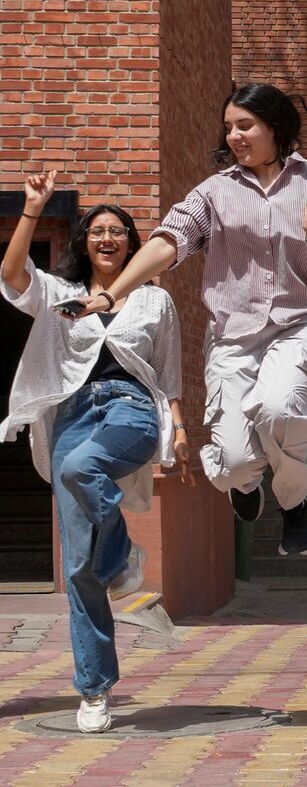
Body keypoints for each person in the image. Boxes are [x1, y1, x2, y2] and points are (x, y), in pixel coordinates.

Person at [65, 84, 307, 555]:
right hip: (233, 335)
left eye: (245, 125)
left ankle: (295, 502)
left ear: (275, 127)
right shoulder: (216, 191)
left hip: (300, 324)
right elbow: (168, 241)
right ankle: (246, 486)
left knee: (279, 407)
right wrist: (113, 293)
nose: (235, 136)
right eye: (229, 128)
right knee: (236, 463)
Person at [1, 172, 187, 732]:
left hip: (130, 407)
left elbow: (170, 370)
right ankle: (95, 689)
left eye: (118, 232)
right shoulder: (61, 295)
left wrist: (177, 429)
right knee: (78, 568)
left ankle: (123, 560)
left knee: (84, 468)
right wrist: (31, 211)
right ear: (85, 241)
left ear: (131, 243)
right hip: (73, 413)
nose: (107, 239)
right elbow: (11, 277)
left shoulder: (154, 298)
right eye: (97, 231)